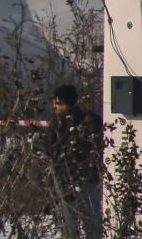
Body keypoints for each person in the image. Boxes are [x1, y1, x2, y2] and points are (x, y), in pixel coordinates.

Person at [47, 84, 103, 239]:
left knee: (70, 226)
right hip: (89, 178)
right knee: (92, 223)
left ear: (60, 101)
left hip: (66, 180)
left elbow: (49, 149)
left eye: (56, 103)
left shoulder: (59, 124)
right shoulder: (91, 119)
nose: (54, 107)